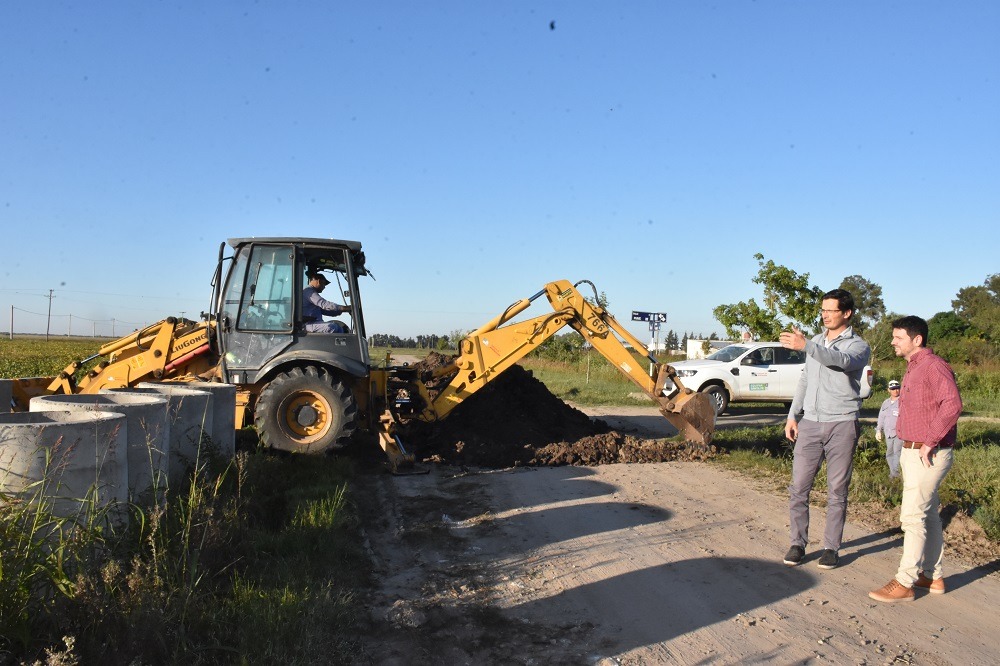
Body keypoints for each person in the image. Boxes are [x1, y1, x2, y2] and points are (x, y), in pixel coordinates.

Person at [869, 316, 962, 603]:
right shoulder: (914, 367)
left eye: (898, 337)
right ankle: (932, 576)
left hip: (928, 453)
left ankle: (905, 580)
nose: (892, 341)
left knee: (911, 516)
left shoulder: (933, 366)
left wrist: (931, 440)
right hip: (914, 451)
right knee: (929, 515)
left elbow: (953, 404)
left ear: (917, 339)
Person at [779, 288, 871, 570]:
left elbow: (841, 362)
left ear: (846, 313)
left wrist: (806, 346)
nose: (825, 316)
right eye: (823, 310)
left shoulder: (858, 345)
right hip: (810, 423)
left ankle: (831, 547)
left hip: (842, 422)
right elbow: (805, 380)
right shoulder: (816, 341)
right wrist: (793, 415)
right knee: (798, 487)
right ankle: (798, 543)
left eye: (831, 311)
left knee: (836, 490)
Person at [876, 380, 903, 478]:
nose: (895, 391)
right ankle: (893, 473)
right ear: (888, 390)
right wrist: (878, 430)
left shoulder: (902, 402)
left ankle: (895, 474)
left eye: (897, 388)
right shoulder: (885, 403)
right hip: (888, 433)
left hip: (899, 433)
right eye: (893, 389)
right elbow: (881, 417)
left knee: (897, 453)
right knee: (889, 453)